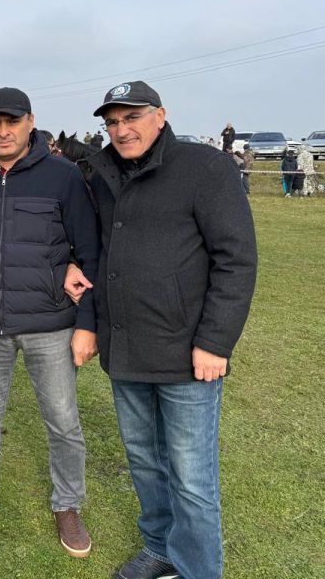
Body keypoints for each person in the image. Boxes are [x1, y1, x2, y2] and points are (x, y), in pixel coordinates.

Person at [67, 81, 257, 579]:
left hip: (188, 353)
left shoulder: (203, 168)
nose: (121, 130)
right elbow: (99, 247)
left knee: (192, 478)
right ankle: (161, 548)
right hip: (127, 347)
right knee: (145, 463)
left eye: (131, 117)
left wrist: (215, 341)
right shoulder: (104, 172)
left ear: (160, 115)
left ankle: (196, 569)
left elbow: (236, 260)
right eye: (112, 122)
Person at [0, 88, 101, 557]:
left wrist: (87, 324)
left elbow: (89, 251)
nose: (4, 130)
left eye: (12, 121)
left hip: (51, 323)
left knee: (62, 420)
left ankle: (68, 505)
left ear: (31, 122)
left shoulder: (64, 176)